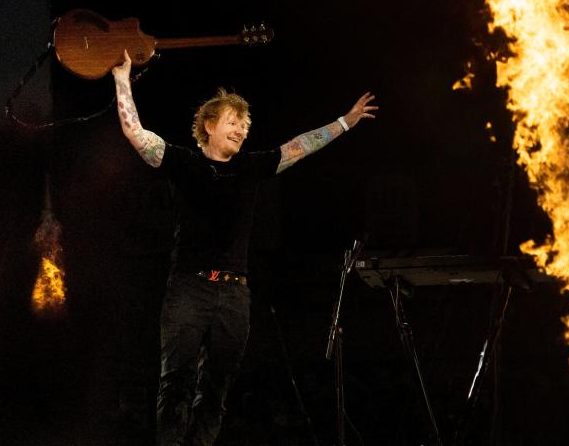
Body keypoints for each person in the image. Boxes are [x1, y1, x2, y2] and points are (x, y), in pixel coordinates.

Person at [112, 51, 376, 446]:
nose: (241, 130)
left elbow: (299, 146)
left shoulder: (251, 167)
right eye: (233, 122)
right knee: (176, 385)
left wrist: (345, 122)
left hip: (234, 294)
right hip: (188, 289)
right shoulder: (183, 164)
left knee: (215, 392)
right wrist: (121, 77)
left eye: (245, 125)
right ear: (209, 125)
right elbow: (136, 132)